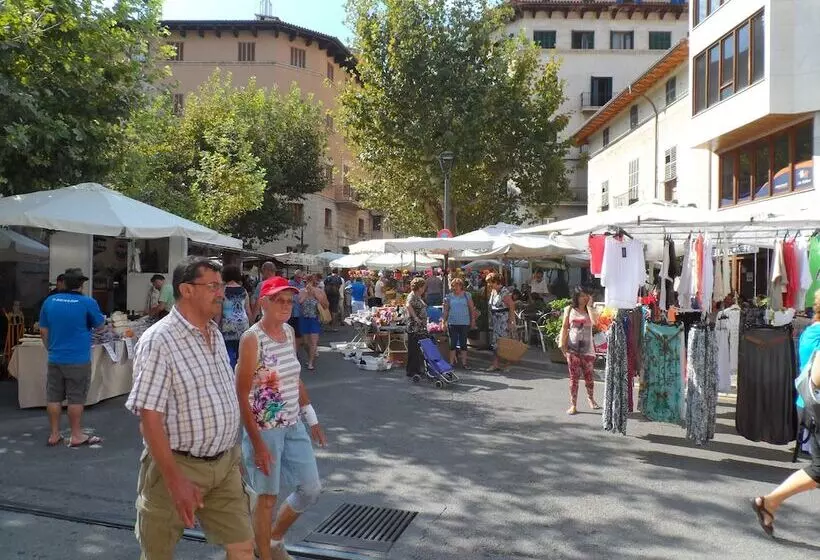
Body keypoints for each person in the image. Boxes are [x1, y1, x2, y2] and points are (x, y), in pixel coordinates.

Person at [126, 256, 255, 559]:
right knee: (158, 553)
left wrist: (232, 453)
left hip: (224, 465)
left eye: (220, 286)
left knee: (242, 547)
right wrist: (175, 480)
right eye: (213, 286)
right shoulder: (159, 340)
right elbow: (149, 419)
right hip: (177, 465)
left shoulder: (215, 333)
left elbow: (222, 396)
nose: (221, 293)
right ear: (186, 290)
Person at [236, 276, 326, 560]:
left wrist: (311, 418)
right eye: (279, 300)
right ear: (264, 302)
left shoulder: (288, 332)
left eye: (289, 301)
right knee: (266, 499)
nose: (286, 306)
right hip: (264, 429)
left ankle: (273, 539)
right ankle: (263, 553)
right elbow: (241, 394)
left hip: (293, 424)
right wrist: (257, 444)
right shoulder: (252, 339)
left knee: (311, 489)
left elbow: (294, 378)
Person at [751, 292, 820, 536]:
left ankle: (769, 503)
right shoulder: (817, 334)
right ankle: (769, 502)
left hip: (808, 406)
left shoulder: (811, 331)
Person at [40, 268, 105, 447]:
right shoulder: (87, 302)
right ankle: (76, 435)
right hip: (78, 358)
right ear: (81, 285)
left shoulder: (50, 301)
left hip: (55, 358)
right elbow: (100, 326)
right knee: (76, 398)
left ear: (63, 283)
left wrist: (50, 349)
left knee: (53, 397)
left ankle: (54, 434)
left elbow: (43, 330)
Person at [559, 287, 601, 415]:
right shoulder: (569, 309)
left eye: (586, 295)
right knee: (574, 378)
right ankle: (573, 405)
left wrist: (589, 306)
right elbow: (564, 327)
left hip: (588, 350)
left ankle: (591, 398)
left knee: (589, 377)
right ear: (576, 297)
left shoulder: (591, 310)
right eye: (581, 295)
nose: (584, 298)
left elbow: (596, 323)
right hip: (572, 350)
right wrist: (562, 345)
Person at [218, 265, 252, 369]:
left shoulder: (222, 290)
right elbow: (248, 311)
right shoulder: (244, 291)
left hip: (228, 325)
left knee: (228, 354)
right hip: (243, 325)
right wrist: (251, 325)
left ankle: (230, 373)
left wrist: (216, 326)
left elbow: (218, 312)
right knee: (241, 354)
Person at [442, 277, 476, 369]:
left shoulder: (467, 295)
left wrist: (473, 320)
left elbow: (472, 309)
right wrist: (443, 322)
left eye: (457, 285)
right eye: (453, 286)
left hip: (464, 322)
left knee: (463, 343)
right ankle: (451, 363)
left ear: (461, 286)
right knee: (452, 343)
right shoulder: (449, 297)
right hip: (452, 322)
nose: (455, 288)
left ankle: (464, 363)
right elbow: (446, 310)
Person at [299, 275, 329, 371]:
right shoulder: (302, 291)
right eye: (305, 282)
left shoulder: (319, 291)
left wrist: (316, 294)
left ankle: (311, 362)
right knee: (305, 343)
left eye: (310, 281)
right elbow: (300, 302)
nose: (307, 284)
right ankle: (311, 355)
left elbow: (326, 305)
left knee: (313, 342)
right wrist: (306, 294)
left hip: (315, 319)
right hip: (304, 318)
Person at [486, 272, 515, 372]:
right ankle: (495, 364)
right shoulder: (493, 291)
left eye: (490, 282)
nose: (489, 284)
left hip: (503, 321)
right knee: (495, 344)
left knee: (504, 343)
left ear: (496, 281)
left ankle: (507, 364)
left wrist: (511, 321)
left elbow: (511, 306)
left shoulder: (504, 292)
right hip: (495, 321)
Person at [404, 277, 428, 378]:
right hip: (414, 326)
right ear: (419, 287)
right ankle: (411, 370)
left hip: (420, 327)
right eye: (423, 287)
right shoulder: (412, 295)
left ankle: (417, 369)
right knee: (413, 349)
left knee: (418, 349)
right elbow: (408, 305)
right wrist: (415, 317)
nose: (424, 289)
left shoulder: (418, 296)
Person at [288, 270, 306, 353]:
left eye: (301, 278)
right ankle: (290, 350)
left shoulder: (303, 284)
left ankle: (296, 351)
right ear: (295, 276)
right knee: (289, 332)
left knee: (298, 333)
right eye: (298, 277)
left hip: (299, 312)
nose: (300, 279)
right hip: (290, 312)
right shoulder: (289, 283)